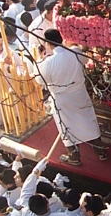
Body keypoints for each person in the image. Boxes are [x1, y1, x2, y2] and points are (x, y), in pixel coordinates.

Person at [35, 29, 106, 165]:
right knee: (88, 122)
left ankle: (74, 157)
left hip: (63, 99)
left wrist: (40, 58)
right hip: (79, 94)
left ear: (47, 44)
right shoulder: (75, 52)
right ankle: (100, 151)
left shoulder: (48, 63)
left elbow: (40, 79)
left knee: (67, 127)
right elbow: (85, 61)